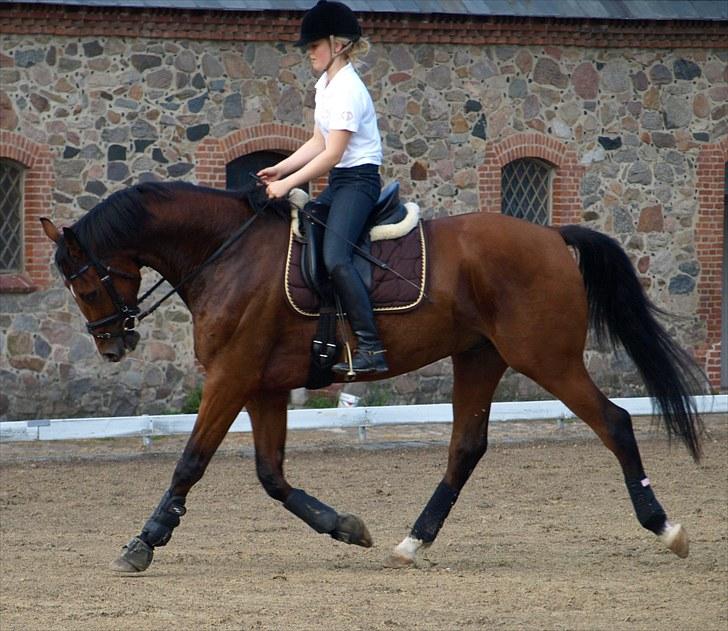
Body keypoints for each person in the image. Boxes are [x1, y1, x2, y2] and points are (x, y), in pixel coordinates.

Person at [258, 0, 388, 375]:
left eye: (314, 46)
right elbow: (317, 141)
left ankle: (371, 347)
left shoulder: (348, 90)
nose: (309, 54)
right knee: (308, 228)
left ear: (339, 45)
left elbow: (332, 155)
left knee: (335, 257)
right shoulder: (326, 85)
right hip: (340, 181)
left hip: (359, 182)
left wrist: (287, 185)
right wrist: (279, 168)